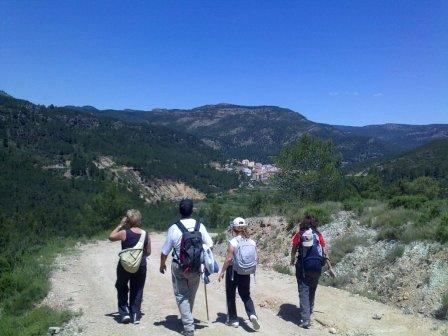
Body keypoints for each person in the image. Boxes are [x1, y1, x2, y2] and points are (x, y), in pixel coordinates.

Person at [159, 199, 213, 336]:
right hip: (196, 267)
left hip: (179, 266)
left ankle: (188, 327)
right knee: (191, 294)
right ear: (192, 210)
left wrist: (162, 264)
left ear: (180, 211)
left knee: (181, 295)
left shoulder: (174, 228)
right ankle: (187, 317)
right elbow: (210, 244)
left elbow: (165, 251)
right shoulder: (200, 226)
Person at [109, 209, 151, 324]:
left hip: (124, 265)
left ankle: (124, 313)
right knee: (137, 288)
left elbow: (111, 237)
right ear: (139, 220)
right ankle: (136, 313)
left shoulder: (124, 233)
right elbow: (148, 252)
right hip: (140, 265)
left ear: (127, 220)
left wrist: (120, 225)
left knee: (121, 286)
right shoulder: (145, 234)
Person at [219, 217, 260, 331]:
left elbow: (228, 259)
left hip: (233, 271)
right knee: (246, 295)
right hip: (246, 271)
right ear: (244, 228)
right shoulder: (251, 241)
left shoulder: (233, 242)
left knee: (231, 294)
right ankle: (252, 314)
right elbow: (256, 257)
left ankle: (233, 320)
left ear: (234, 229)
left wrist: (222, 271)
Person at [290, 215, 328, 329]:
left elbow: (294, 248)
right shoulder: (319, 234)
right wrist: (327, 264)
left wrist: (292, 259)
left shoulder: (300, 235)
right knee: (312, 288)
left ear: (303, 224)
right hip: (317, 267)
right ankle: (309, 311)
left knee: (303, 290)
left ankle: (305, 319)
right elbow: (324, 249)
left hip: (303, 267)